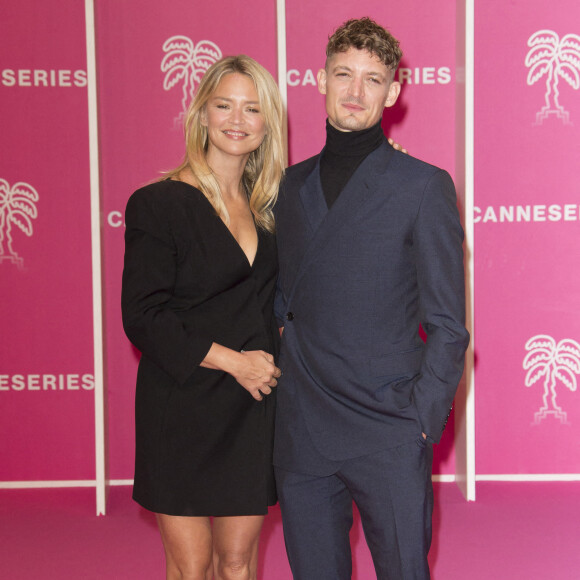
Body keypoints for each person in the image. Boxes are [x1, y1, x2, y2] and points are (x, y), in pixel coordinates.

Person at [273, 17, 470, 580]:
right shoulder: (290, 186)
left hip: (388, 427)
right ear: (320, 80)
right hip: (305, 429)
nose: (356, 91)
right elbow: (283, 293)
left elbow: (448, 323)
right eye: (343, 74)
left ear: (394, 90)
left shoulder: (423, 186)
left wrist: (421, 420)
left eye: (372, 78)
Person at [121, 55, 285, 580]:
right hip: (183, 402)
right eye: (224, 105)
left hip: (249, 407)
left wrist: (384, 155)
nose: (237, 120)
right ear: (202, 115)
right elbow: (143, 316)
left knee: (237, 562)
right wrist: (235, 362)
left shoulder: (272, 211)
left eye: (252, 109)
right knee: (191, 567)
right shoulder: (159, 204)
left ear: (267, 125)